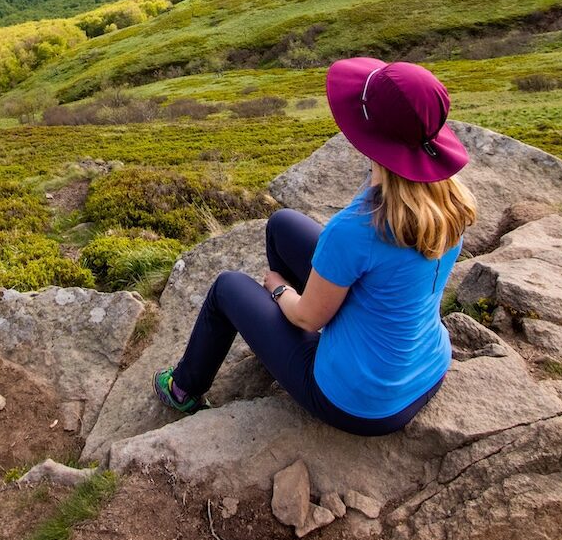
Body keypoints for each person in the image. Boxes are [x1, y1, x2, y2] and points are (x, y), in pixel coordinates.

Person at [153, 58, 477, 435]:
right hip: (428, 368)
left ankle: (183, 389)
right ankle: (280, 339)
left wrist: (279, 290)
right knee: (282, 225)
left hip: (358, 402)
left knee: (228, 287)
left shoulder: (356, 229)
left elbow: (309, 318)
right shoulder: (450, 204)